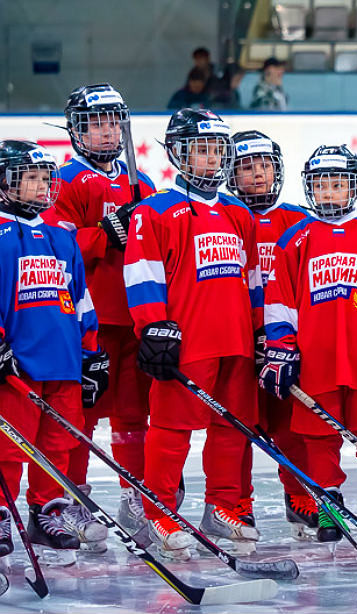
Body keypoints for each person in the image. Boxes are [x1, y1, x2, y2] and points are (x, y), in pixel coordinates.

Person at [124, 108, 262, 559]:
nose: (212, 159)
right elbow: (143, 274)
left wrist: (261, 332)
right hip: (187, 339)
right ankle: (158, 511)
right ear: (179, 153)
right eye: (202, 149)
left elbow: (253, 278)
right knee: (171, 427)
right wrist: (153, 326)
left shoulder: (238, 212)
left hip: (236, 339)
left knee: (232, 427)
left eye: (218, 150)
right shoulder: (155, 210)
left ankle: (222, 506)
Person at [261, 144, 357, 550]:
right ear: (310, 188)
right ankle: (327, 499)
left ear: (354, 187)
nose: (330, 192)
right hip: (316, 359)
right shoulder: (295, 240)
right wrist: (281, 348)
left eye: (338, 184)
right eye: (322, 184)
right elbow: (280, 303)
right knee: (318, 434)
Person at [51, 83, 157, 543]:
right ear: (77, 130)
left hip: (134, 316)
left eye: (113, 121)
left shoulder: (145, 184)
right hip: (87, 318)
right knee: (81, 414)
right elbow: (55, 246)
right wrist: (104, 232)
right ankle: (70, 497)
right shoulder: (64, 180)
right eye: (96, 123)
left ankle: (133, 493)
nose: (107, 131)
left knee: (133, 414)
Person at [0, 140, 108, 566]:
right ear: (5, 183)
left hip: (63, 360)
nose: (42, 187)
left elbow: (81, 299)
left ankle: (48, 511)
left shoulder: (63, 238)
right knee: (10, 446)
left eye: (46, 179)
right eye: (31, 179)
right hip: (18, 364)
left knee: (57, 443)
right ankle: (2, 511)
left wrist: (91, 351)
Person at [226, 130, 310, 535]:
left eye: (264, 165)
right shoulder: (222, 216)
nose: (257, 174)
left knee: (292, 425)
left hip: (284, 343)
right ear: (231, 172)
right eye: (246, 167)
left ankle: (301, 496)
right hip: (238, 339)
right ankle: (237, 503)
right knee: (238, 426)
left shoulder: (298, 220)